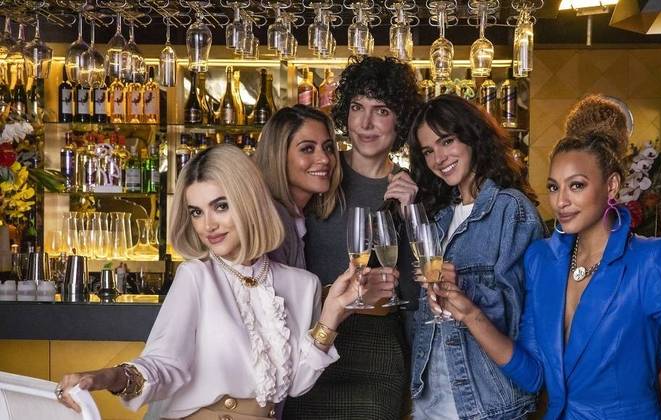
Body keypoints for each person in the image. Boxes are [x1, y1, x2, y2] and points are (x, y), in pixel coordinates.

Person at [433, 125, 661, 419]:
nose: (561, 201)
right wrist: (470, 314)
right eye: (554, 187)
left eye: (576, 185)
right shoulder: (541, 260)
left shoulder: (651, 260)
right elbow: (533, 374)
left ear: (611, 186)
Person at [55, 144, 392, 419]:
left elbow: (297, 385)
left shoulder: (302, 285)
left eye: (220, 206)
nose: (208, 225)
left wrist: (331, 313)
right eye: (196, 212)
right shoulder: (196, 276)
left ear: (249, 203)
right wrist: (109, 376)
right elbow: (164, 363)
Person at [283, 56, 422, 420]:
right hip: (312, 341)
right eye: (358, 107)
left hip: (377, 353)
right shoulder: (318, 172)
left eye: (381, 110)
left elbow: (414, 295)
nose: (365, 123)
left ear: (400, 120)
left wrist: (411, 215)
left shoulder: (411, 188)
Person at [407, 95, 541, 420]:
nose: (439, 158)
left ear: (472, 136)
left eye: (446, 141)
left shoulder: (511, 210)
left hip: (487, 404)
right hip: (430, 400)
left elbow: (523, 315)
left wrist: (462, 289)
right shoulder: (440, 217)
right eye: (428, 151)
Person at [254, 105, 342, 269]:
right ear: (279, 155)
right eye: (307, 149)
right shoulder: (272, 220)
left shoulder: (295, 214)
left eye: (328, 147)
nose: (324, 159)